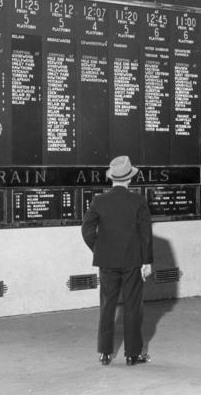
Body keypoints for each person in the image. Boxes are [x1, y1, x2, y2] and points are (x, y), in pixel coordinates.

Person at [81, 156, 154, 366]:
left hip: (107, 262)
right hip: (133, 261)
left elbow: (86, 231)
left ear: (111, 178)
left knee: (107, 305)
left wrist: (100, 250)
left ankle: (104, 353)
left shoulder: (98, 201)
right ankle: (133, 354)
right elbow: (146, 235)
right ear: (129, 179)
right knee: (133, 307)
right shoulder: (139, 201)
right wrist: (146, 261)